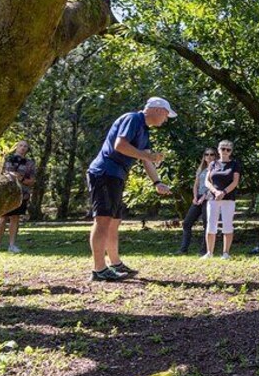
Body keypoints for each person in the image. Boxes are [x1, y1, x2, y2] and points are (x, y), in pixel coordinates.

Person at [87, 98, 174, 281]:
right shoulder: (133, 118)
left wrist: (157, 182)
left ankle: (115, 263)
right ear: (158, 110)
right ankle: (99, 269)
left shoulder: (144, 130)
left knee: (114, 221)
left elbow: (146, 160)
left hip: (116, 176)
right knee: (103, 220)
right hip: (104, 173)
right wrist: (146, 154)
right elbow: (120, 145)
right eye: (166, 115)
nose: (166, 120)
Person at [202, 140, 240, 260]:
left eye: (228, 149)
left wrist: (223, 192)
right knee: (210, 225)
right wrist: (215, 191)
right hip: (213, 198)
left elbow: (235, 182)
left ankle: (225, 253)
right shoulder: (213, 164)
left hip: (228, 198)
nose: (225, 151)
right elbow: (207, 181)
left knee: (227, 225)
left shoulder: (235, 164)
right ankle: (209, 252)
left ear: (231, 151)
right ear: (218, 150)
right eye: (223, 149)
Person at [0, 140, 36, 253]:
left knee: (15, 218)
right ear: (16, 147)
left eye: (25, 146)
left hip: (21, 194)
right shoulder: (6, 159)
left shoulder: (30, 163)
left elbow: (32, 181)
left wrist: (21, 179)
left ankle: (12, 245)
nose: (23, 148)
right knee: (2, 218)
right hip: (5, 193)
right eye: (21, 145)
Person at [178, 148, 217, 254]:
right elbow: (196, 184)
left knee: (206, 224)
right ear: (203, 156)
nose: (209, 156)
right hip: (198, 198)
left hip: (209, 198)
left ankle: (204, 251)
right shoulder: (201, 169)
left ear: (215, 156)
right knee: (187, 223)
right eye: (206, 154)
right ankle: (183, 249)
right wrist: (195, 197)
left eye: (211, 154)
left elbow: (213, 186)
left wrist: (203, 197)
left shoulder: (217, 169)